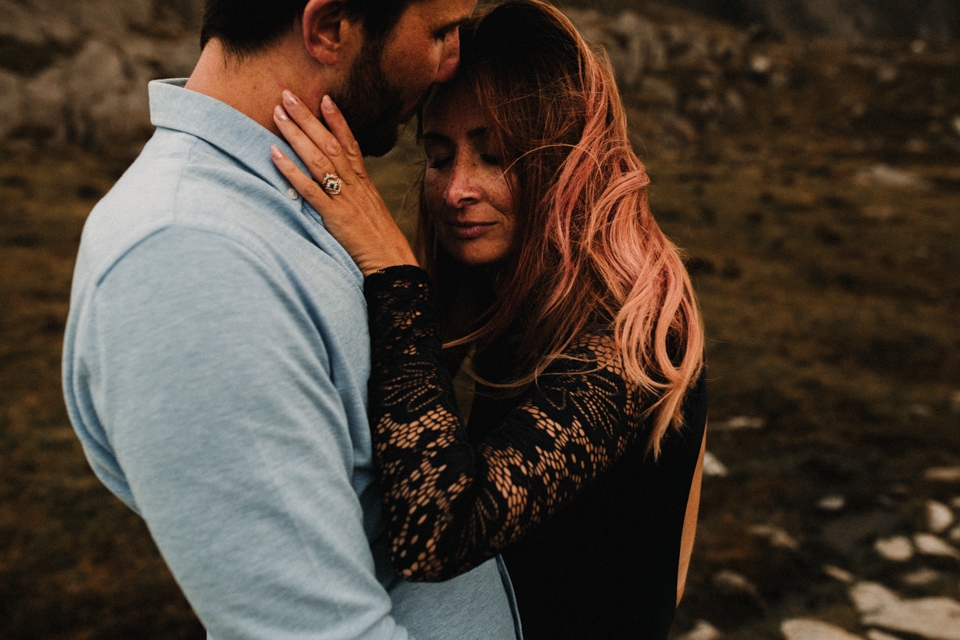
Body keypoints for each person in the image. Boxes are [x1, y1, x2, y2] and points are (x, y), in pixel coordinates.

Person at [61, 1, 524, 638]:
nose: (451, 63)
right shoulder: (187, 260)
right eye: (439, 31)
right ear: (330, 28)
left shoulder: (284, 195)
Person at [271, 1, 709, 638]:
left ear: (564, 156)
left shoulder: (632, 332)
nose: (455, 191)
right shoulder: (501, 288)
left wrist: (394, 273)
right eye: (440, 156)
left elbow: (436, 533)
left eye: (496, 154)